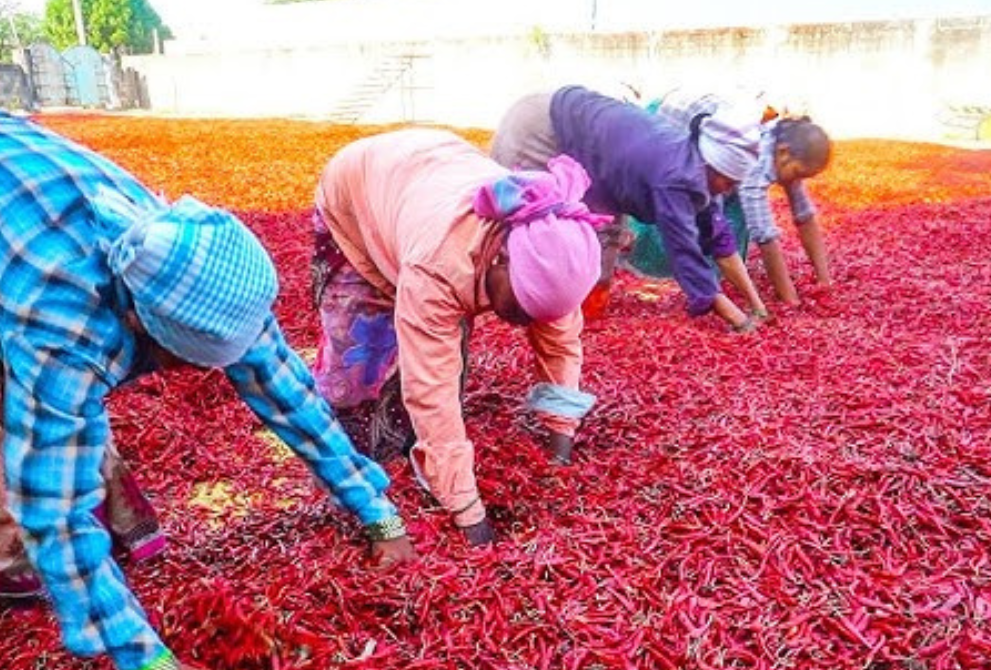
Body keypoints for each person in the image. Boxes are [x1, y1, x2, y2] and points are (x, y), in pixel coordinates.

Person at [0, 104, 417, 670]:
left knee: (51, 412)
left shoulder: (193, 259)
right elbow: (55, 503)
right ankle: (5, 577)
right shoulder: (62, 321)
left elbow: (280, 384)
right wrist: (139, 655)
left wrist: (376, 511)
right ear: (144, 329)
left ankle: (91, 581)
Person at [312, 128, 605, 546]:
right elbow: (433, 384)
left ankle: (414, 446)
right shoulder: (441, 262)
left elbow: (559, 342)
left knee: (435, 353)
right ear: (501, 256)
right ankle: (338, 465)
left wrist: (561, 435)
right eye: (521, 308)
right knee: (360, 359)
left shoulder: (553, 245)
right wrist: (468, 512)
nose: (524, 322)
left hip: (428, 176)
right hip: (359, 197)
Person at [490, 85, 768, 332]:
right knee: (536, 230)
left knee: (597, 244)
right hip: (544, 128)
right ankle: (515, 305)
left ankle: (577, 318)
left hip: (594, 155)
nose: (730, 190)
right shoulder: (676, 176)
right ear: (713, 164)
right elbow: (684, 251)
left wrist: (757, 306)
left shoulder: (699, 168)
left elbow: (718, 237)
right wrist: (737, 319)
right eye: (729, 181)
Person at [651, 89, 833, 304]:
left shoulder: (784, 146)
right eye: (798, 173)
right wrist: (790, 300)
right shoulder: (753, 161)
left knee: (729, 204)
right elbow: (765, 236)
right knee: (703, 204)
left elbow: (805, 216)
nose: (797, 181)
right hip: (672, 121)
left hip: (706, 118)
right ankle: (694, 268)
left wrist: (824, 281)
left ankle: (720, 266)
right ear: (783, 153)